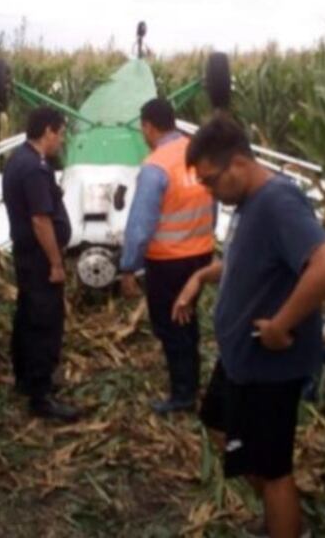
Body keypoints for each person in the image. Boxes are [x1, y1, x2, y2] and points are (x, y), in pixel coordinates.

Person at [172, 117, 325, 538]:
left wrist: (280, 324)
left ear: (237, 164)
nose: (211, 193)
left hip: (269, 366)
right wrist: (199, 278)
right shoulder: (250, 203)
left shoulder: (277, 202)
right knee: (217, 423)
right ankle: (276, 514)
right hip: (240, 361)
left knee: (273, 469)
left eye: (212, 182)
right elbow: (245, 262)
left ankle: (287, 526)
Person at [119, 98, 215, 414]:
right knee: (188, 321)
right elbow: (213, 202)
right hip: (200, 256)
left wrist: (129, 267)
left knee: (171, 325)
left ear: (149, 126)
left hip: (168, 262)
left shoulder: (156, 166)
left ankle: (183, 396)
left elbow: (141, 224)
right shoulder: (197, 153)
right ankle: (192, 384)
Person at [2, 106, 80, 421]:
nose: (60, 141)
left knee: (27, 316)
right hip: (39, 259)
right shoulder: (34, 168)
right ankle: (40, 395)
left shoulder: (20, 159)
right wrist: (56, 263)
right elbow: (40, 220)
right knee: (43, 323)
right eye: (60, 134)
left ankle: (25, 379)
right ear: (47, 131)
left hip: (27, 256)